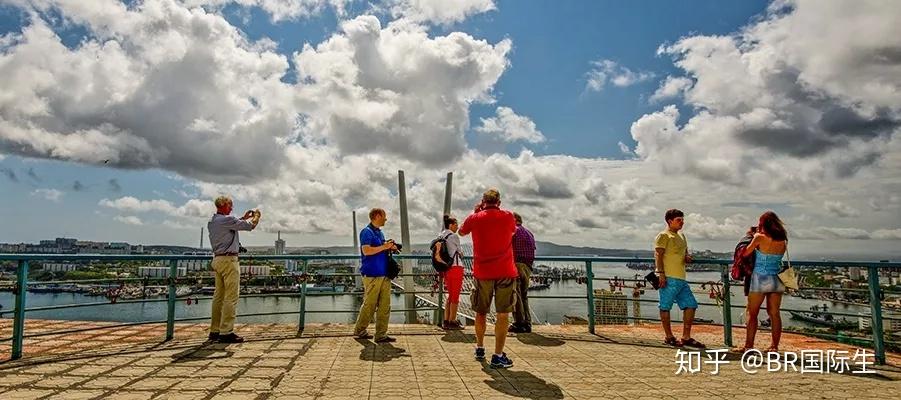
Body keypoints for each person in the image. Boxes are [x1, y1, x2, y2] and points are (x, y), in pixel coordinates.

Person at [459, 188, 517, 368]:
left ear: (483, 201)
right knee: (502, 314)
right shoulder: (508, 216)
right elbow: (513, 231)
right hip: (505, 271)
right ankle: (498, 355)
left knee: (481, 312)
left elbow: (461, 232)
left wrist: (477, 212)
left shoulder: (475, 218)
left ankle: (480, 347)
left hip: (482, 272)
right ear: (499, 202)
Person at [207, 196, 260, 343]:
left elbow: (232, 223)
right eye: (230, 206)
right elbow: (250, 226)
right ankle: (226, 332)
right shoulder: (226, 220)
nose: (232, 208)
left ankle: (215, 330)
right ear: (224, 205)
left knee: (218, 297)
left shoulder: (213, 221)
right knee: (231, 297)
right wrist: (256, 216)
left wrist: (243, 217)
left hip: (217, 260)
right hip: (229, 261)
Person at [736, 211, 788, 353]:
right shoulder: (783, 240)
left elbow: (745, 252)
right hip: (777, 278)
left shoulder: (759, 237)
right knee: (774, 314)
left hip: (760, 278)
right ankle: (774, 347)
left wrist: (750, 236)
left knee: (752, 313)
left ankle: (749, 346)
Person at [654, 209, 704, 348]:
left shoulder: (682, 236)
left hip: (681, 278)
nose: (682, 222)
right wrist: (661, 274)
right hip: (669, 277)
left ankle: (686, 337)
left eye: (682, 219)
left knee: (691, 305)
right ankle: (669, 336)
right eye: (678, 220)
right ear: (670, 221)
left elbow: (684, 253)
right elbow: (658, 255)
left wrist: (687, 257)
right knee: (665, 306)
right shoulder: (663, 236)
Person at [353, 208, 399, 343]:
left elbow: (379, 250)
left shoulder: (379, 232)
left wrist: (389, 247)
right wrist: (384, 247)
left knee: (385, 305)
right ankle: (360, 330)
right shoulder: (366, 232)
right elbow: (366, 250)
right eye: (384, 216)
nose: (386, 219)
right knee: (370, 304)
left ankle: (381, 335)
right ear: (377, 216)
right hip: (372, 274)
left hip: (384, 274)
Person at [437, 214, 464, 330]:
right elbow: (460, 252)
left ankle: (446, 320)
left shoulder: (441, 235)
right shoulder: (454, 236)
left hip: (446, 268)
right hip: (456, 267)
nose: (457, 227)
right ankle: (453, 321)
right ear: (451, 225)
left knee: (449, 295)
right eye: (456, 224)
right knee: (455, 296)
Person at [510, 212, 536, 333]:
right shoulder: (529, 233)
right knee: (524, 296)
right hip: (528, 266)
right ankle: (527, 323)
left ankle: (519, 323)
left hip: (517, 265)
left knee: (516, 295)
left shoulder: (513, 231)